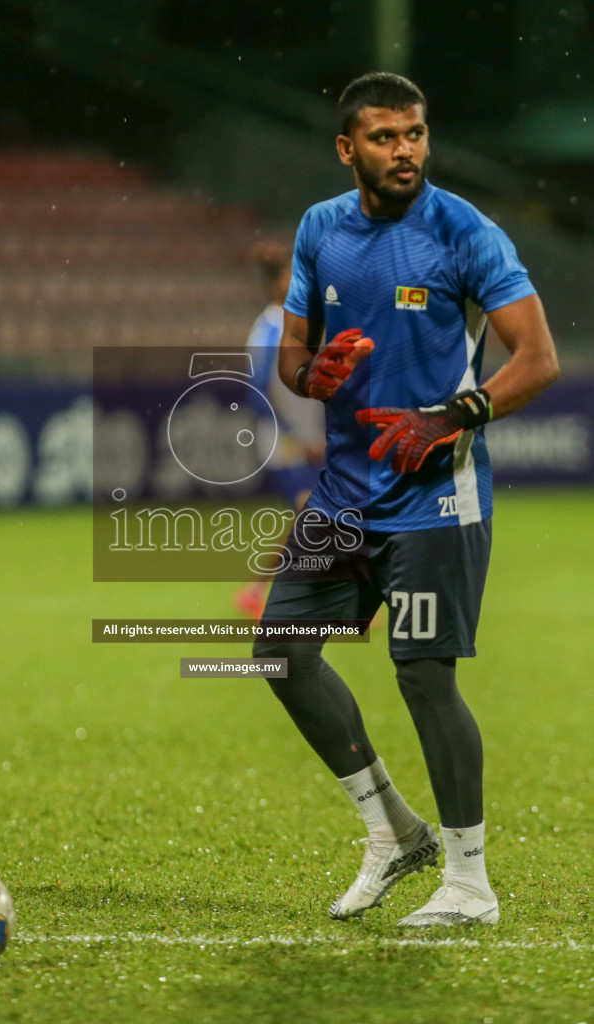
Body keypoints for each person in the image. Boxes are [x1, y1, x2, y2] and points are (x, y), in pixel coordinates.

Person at [252, 72, 559, 927]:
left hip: (436, 498)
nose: (406, 152)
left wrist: (453, 415)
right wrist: (318, 374)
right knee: (281, 651)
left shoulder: (464, 229)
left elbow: (535, 358)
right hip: (345, 495)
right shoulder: (319, 229)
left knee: (423, 674)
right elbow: (292, 364)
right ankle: (391, 829)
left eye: (415, 134)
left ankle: (469, 881)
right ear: (347, 149)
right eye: (385, 138)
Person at [234, 245, 326, 620]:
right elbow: (259, 389)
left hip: (307, 436)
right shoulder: (272, 327)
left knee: (309, 514)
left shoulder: (296, 324)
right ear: (276, 286)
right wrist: (295, 433)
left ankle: (256, 591)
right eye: (292, 276)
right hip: (284, 439)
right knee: (313, 510)